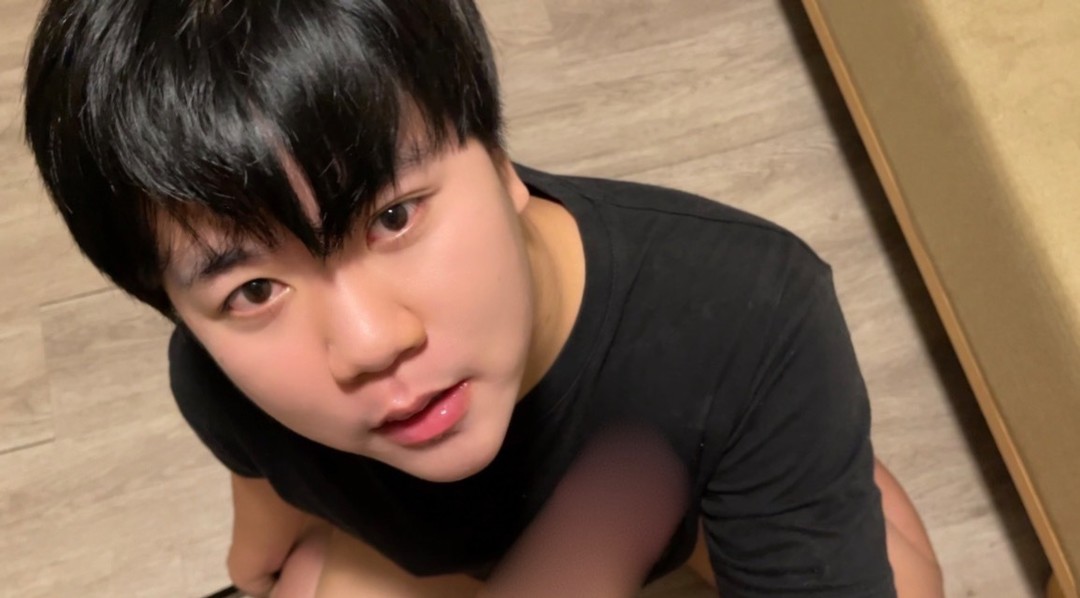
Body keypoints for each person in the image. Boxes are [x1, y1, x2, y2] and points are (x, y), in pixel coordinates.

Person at [23, 0, 943, 596]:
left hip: (687, 511)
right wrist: (256, 554)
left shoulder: (746, 310)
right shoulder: (216, 379)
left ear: (501, 160)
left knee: (898, 569)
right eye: (255, 288)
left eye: (393, 216)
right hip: (448, 557)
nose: (371, 341)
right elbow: (259, 508)